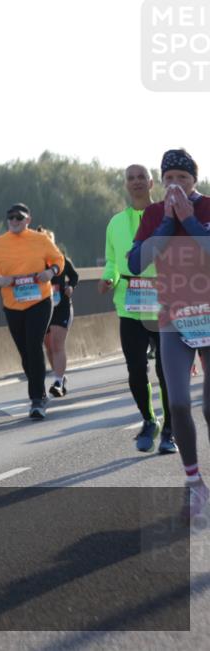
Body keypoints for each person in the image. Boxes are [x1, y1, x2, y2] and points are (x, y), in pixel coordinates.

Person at [129, 149, 210, 517]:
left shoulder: (207, 206)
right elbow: (136, 262)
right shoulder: (153, 214)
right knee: (177, 402)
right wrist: (165, 224)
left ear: (195, 180)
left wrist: (191, 220)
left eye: (183, 178)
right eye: (169, 179)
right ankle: (194, 484)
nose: (176, 185)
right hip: (172, 317)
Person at [101, 165, 176, 454]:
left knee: (165, 369)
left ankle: (170, 430)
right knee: (135, 369)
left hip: (164, 302)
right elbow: (113, 261)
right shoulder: (115, 223)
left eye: (141, 177)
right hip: (129, 305)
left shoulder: (165, 216)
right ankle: (149, 421)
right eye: (130, 178)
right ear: (125, 185)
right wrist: (110, 278)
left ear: (151, 182)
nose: (136, 182)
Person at [0, 203, 64, 420]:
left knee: (34, 344)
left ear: (28, 219)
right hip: (13, 304)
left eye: (19, 217)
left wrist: (50, 271)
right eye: (11, 218)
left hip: (40, 301)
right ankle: (40, 390)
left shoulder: (40, 239)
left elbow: (58, 260)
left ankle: (36, 399)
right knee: (25, 351)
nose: (15, 221)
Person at [36, 227, 79, 398]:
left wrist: (70, 286)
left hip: (61, 307)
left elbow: (75, 276)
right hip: (43, 307)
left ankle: (58, 381)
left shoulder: (61, 260)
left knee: (57, 344)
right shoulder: (35, 262)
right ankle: (59, 376)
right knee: (48, 346)